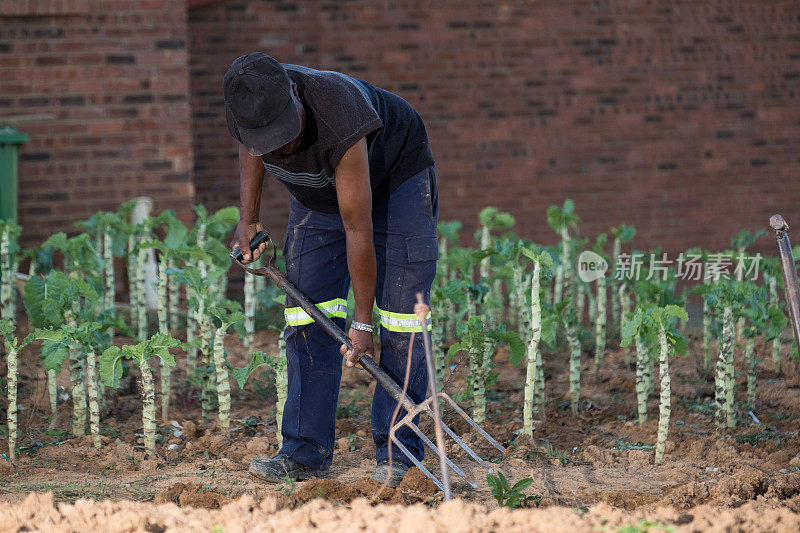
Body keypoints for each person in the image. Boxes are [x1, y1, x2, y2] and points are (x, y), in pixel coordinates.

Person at [225, 52, 438, 488]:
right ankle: (303, 451)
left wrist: (362, 323)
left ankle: (400, 453)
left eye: (283, 133)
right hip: (319, 197)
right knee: (307, 316)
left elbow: (357, 228)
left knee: (402, 318)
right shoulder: (248, 108)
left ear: (295, 95)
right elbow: (251, 151)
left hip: (396, 180)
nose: (281, 148)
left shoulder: (339, 113)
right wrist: (248, 219)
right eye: (268, 140)